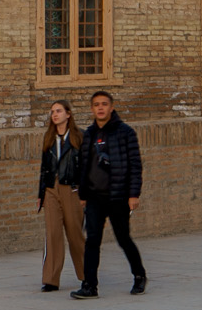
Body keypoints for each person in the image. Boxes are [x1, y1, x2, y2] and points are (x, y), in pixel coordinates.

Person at [72, 90, 146, 298]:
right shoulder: (89, 134)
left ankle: (139, 275)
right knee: (92, 240)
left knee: (123, 238)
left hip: (118, 195)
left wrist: (134, 194)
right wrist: (83, 194)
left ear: (111, 107)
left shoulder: (126, 133)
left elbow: (135, 165)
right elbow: (84, 165)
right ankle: (89, 285)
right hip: (95, 197)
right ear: (92, 109)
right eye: (96, 105)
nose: (101, 108)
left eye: (104, 104)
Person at [37, 99, 86, 292]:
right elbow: (44, 168)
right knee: (53, 233)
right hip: (51, 189)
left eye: (58, 111)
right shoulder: (48, 138)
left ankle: (86, 275)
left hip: (72, 189)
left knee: (75, 234)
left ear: (68, 114)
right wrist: (41, 193)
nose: (54, 115)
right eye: (52, 112)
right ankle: (50, 279)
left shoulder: (79, 136)